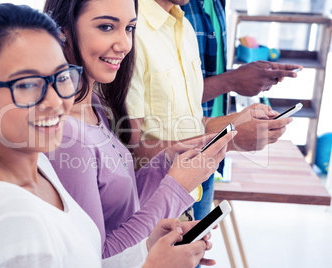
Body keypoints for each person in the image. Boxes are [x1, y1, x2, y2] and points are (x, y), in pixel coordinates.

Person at [0, 4, 214, 268]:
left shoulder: (36, 166)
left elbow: (85, 257)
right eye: (27, 84)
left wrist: (150, 246)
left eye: (61, 77)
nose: (55, 102)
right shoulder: (9, 222)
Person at [44, 0, 235, 261]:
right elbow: (96, 256)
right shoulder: (67, 133)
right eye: (107, 26)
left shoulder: (95, 106)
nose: (124, 44)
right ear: (63, 29)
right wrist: (176, 187)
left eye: (130, 28)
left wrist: (163, 165)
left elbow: (122, 206)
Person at [125, 0, 297, 222]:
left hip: (185, 202)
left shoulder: (184, 28)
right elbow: (127, 154)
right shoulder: (130, 34)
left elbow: (193, 121)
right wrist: (230, 139)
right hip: (148, 213)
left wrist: (240, 121)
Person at [180, 0, 303, 222]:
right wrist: (232, 81)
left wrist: (246, 76)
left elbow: (199, 76)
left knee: (193, 250)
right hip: (180, 157)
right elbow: (169, 98)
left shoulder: (216, 3)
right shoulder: (174, 6)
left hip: (211, 154)